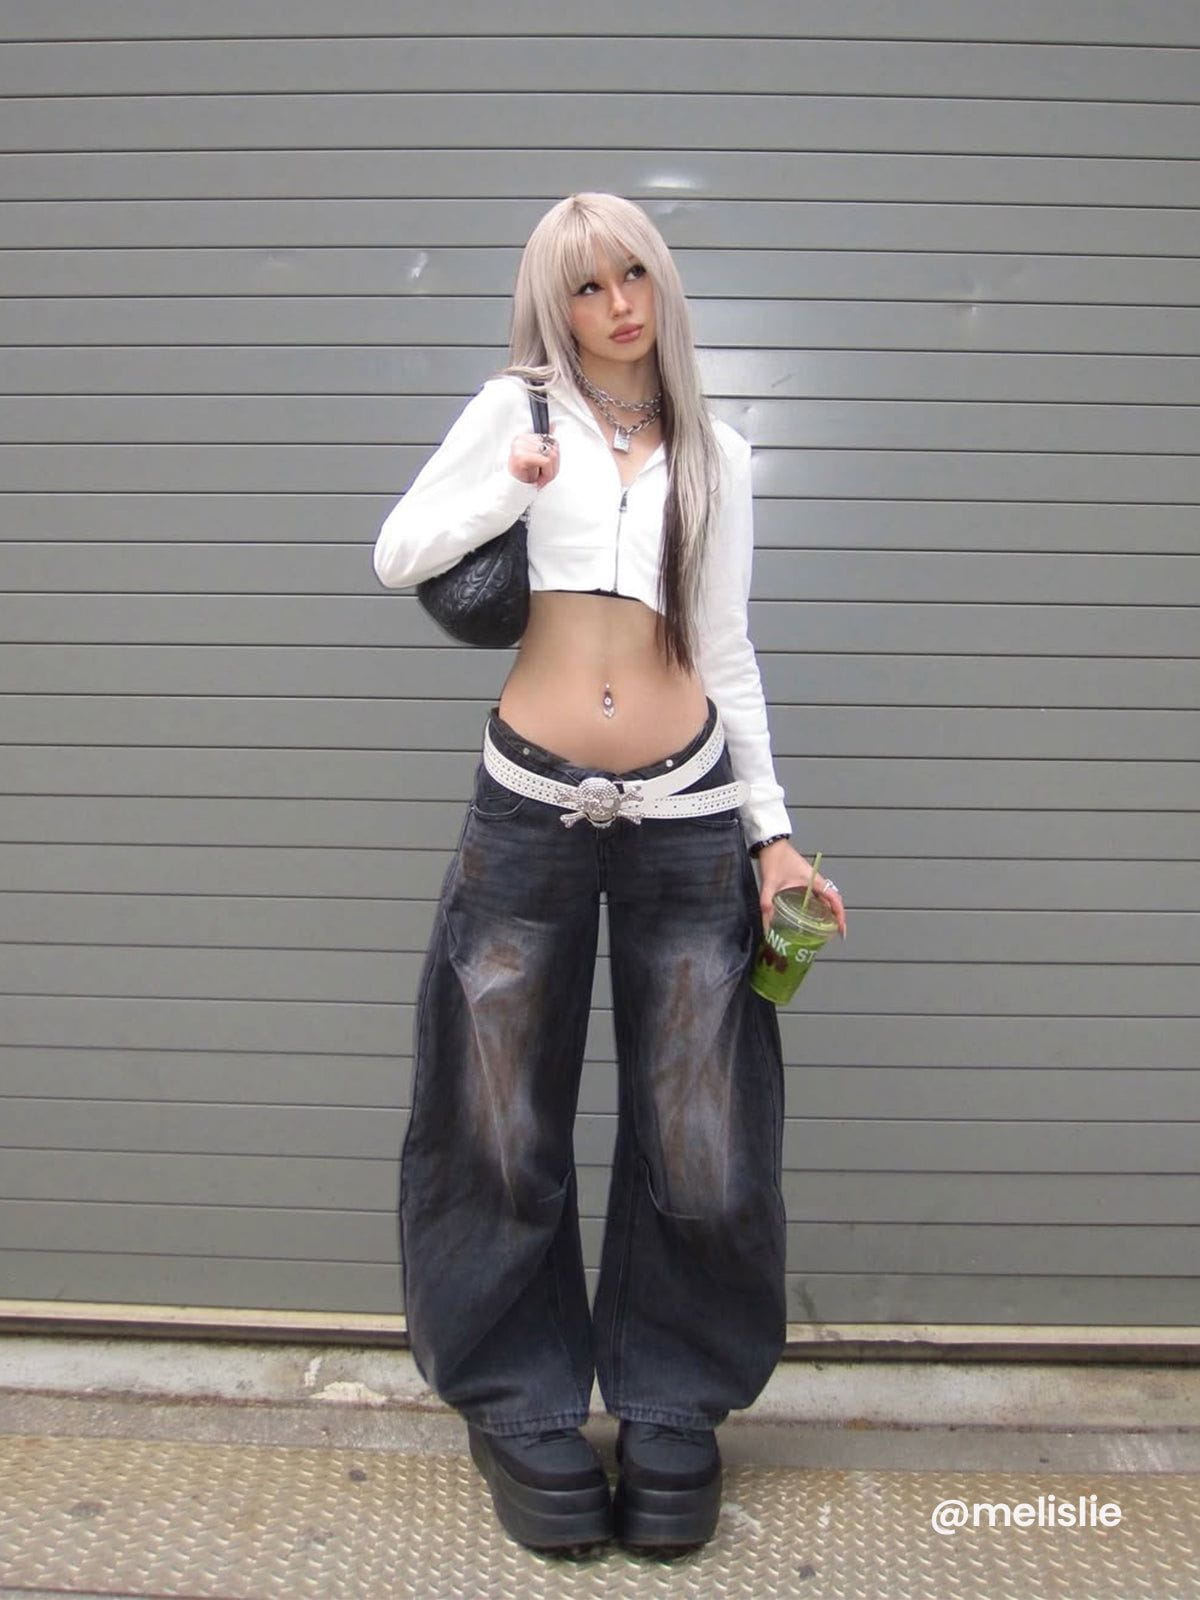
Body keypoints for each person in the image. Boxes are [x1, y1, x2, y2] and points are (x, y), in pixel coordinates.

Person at [372, 192, 847, 1555]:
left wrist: (770, 835)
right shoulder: (512, 414)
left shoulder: (716, 451)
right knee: (495, 1108)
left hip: (688, 807)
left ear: (663, 282)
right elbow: (399, 554)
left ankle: (675, 1400)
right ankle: (518, 1400)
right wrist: (507, 487)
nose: (617, 305)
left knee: (702, 1118)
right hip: (530, 802)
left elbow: (726, 650)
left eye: (634, 273)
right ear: (553, 303)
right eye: (585, 286)